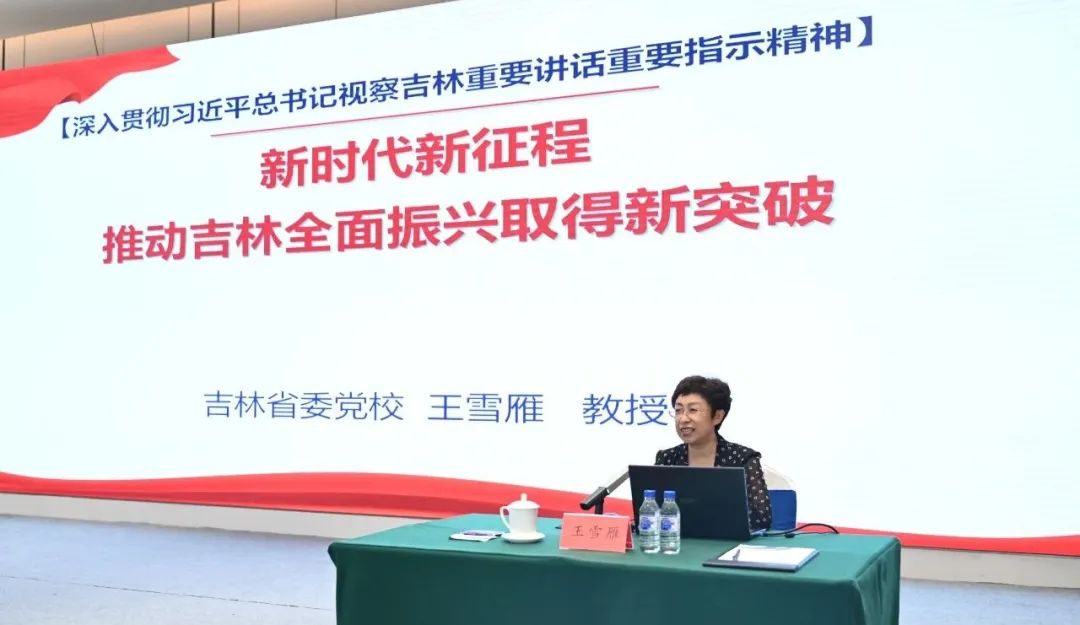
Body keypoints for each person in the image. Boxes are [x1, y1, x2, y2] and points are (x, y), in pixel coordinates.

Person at [655, 375, 773, 531]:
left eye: (693, 410)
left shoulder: (742, 458)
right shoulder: (667, 459)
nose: (683, 419)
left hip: (727, 543)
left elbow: (761, 517)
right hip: (677, 543)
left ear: (717, 416)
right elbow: (652, 512)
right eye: (678, 411)